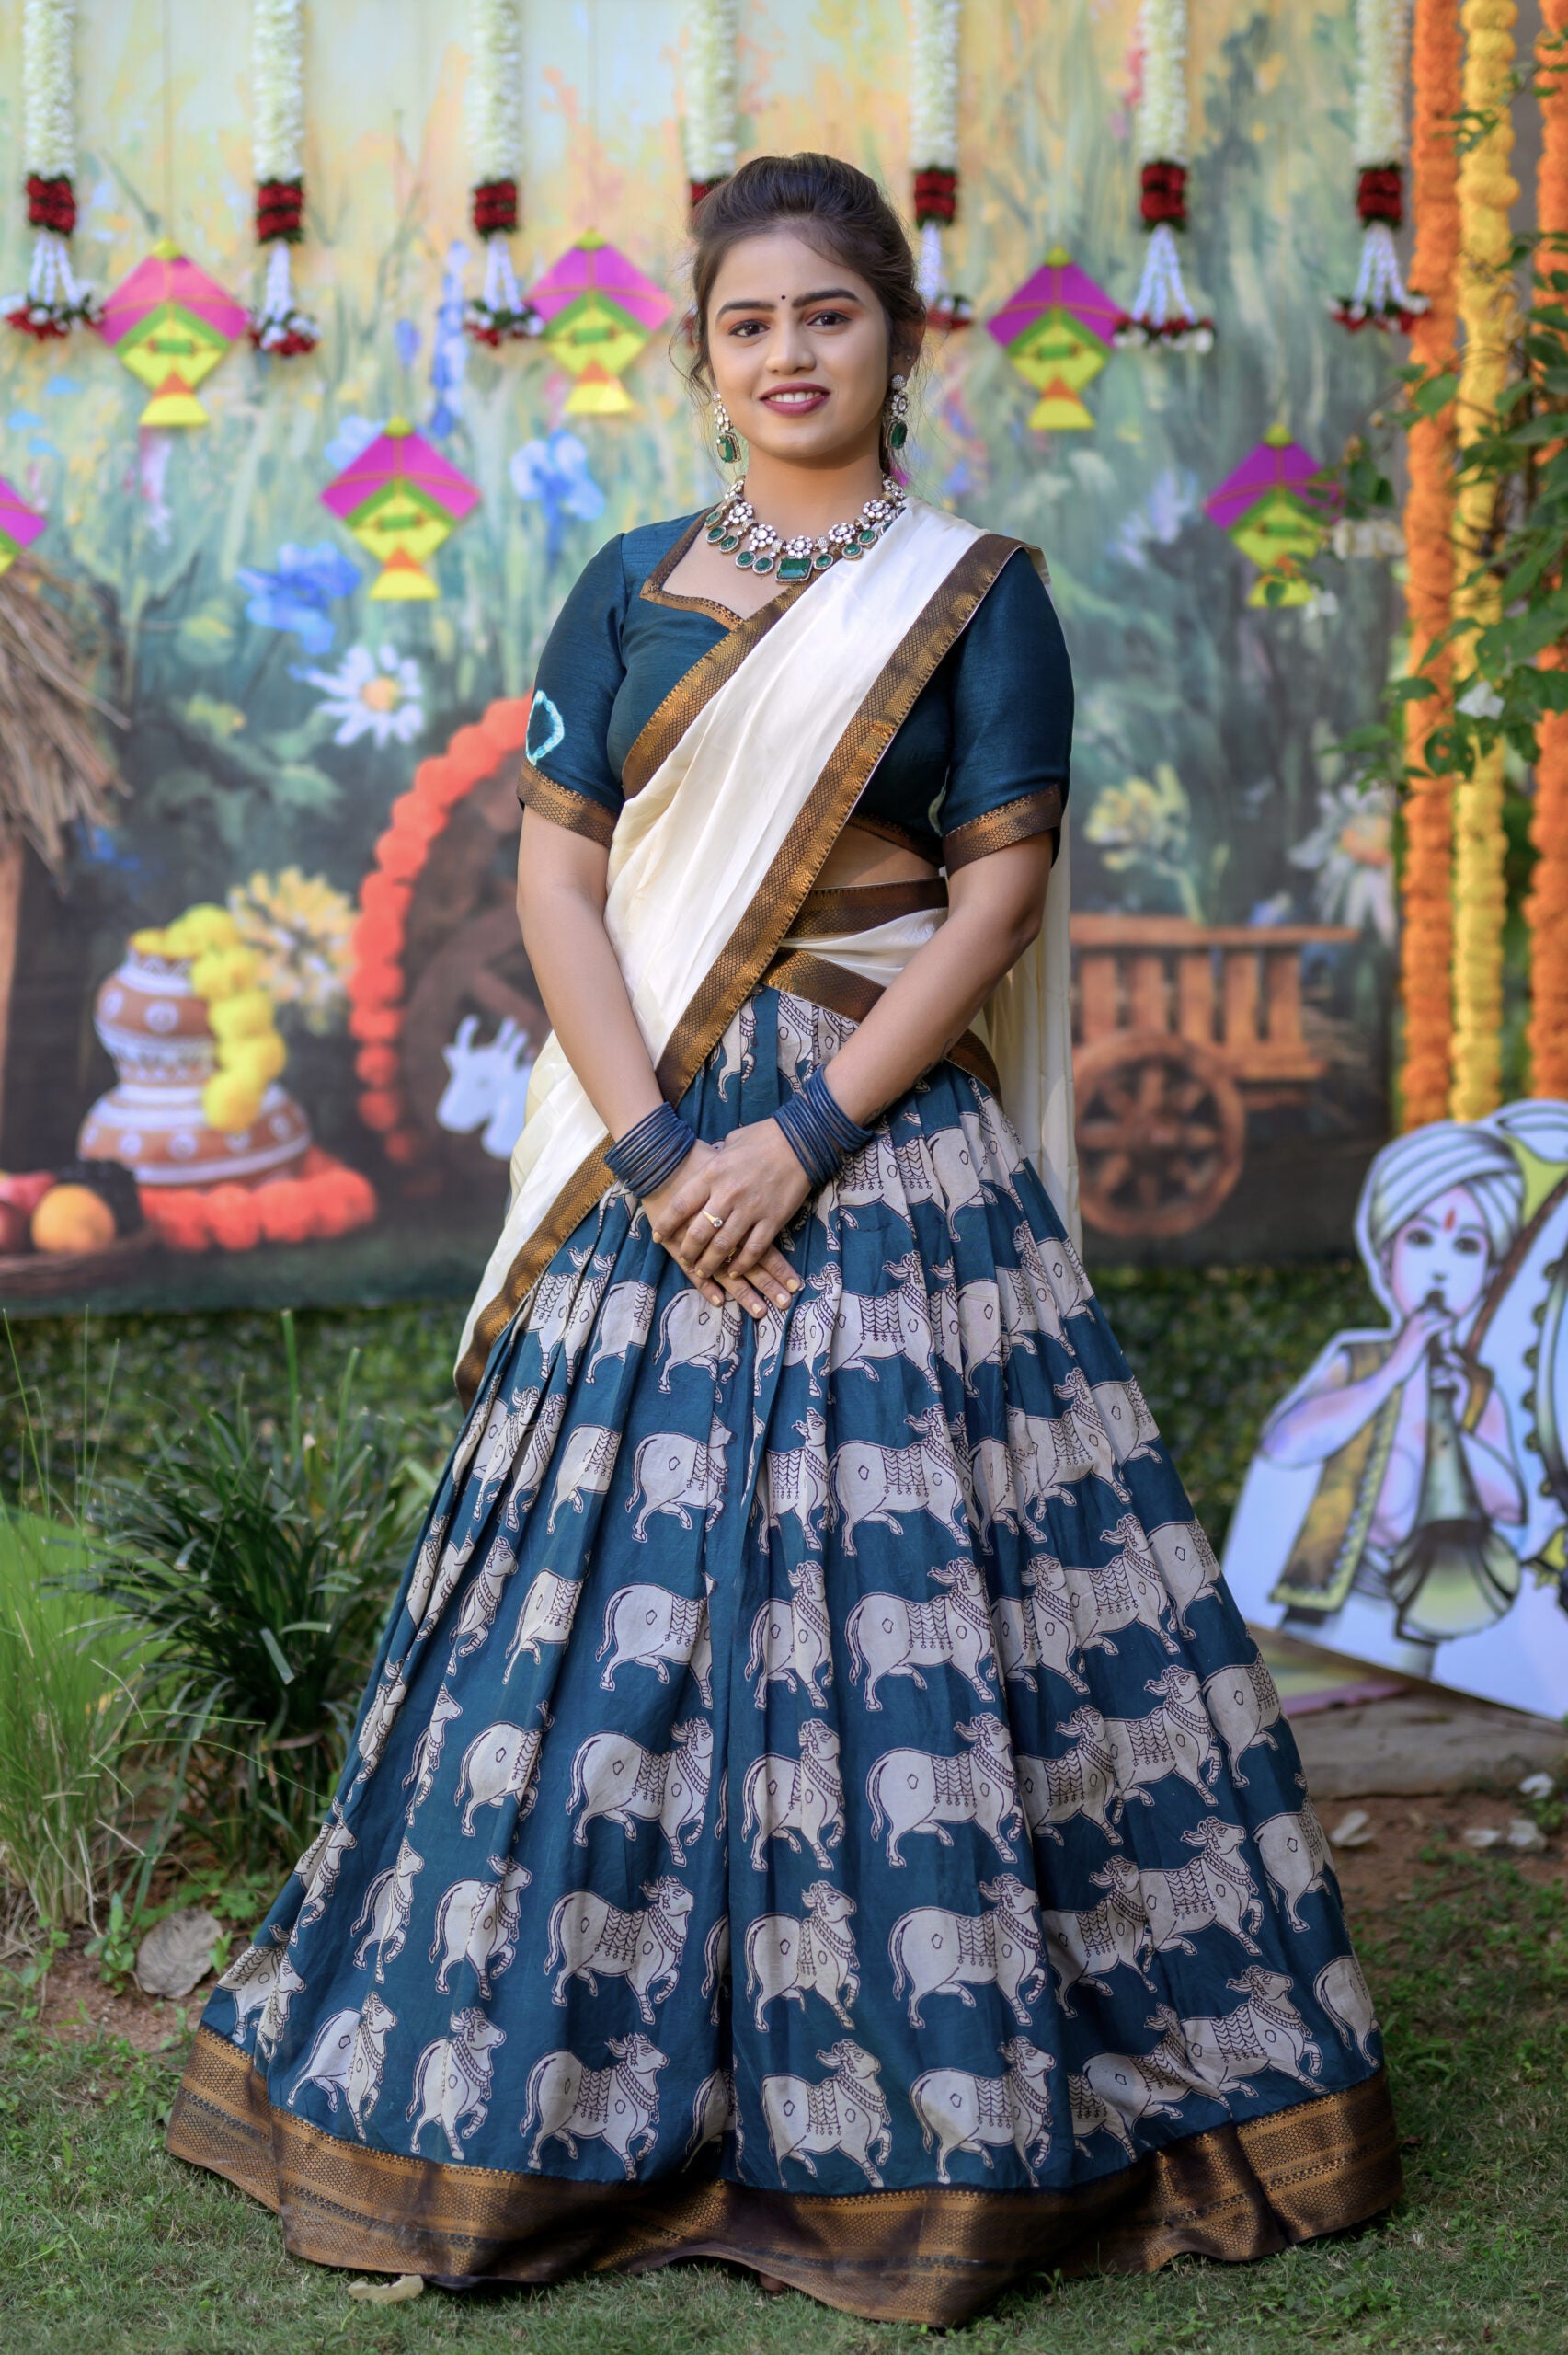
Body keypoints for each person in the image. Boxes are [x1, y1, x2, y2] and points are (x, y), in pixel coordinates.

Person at [168, 155, 1399, 2327]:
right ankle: (569, 2088)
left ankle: (944, 2104)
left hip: (885, 1163)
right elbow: (560, 884)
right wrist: (657, 1153)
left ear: (892, 338)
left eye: (826, 315)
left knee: (929, 1615)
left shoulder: (972, 593)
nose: (788, 354)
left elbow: (993, 898)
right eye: (748, 323)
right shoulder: (629, 584)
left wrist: (809, 1132)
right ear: (703, 352)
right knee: (608, 1638)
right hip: (660, 1167)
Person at [1224, 1121, 1527, 1680]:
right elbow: (1285, 1444)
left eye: (1465, 1247)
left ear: (1487, 1276)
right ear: (1387, 1257)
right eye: (1420, 1238)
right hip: (1326, 1591)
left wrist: (1456, 1428)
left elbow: (1511, 1507)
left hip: (1424, 1602)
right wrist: (1394, 1370)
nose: (1440, 1265)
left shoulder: (1478, 1387)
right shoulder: (1359, 1358)